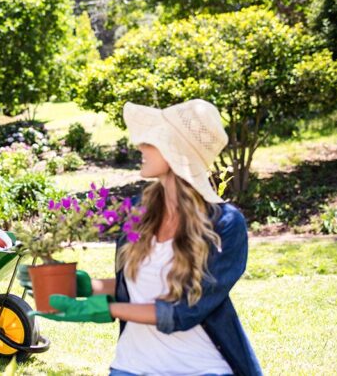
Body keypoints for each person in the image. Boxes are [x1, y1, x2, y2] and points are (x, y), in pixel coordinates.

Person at [26, 100, 262, 375]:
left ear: (176, 151)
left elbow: (185, 311)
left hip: (200, 368)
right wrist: (88, 286)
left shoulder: (225, 224)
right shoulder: (139, 210)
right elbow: (140, 283)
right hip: (130, 367)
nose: (140, 146)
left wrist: (109, 310)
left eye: (152, 142)